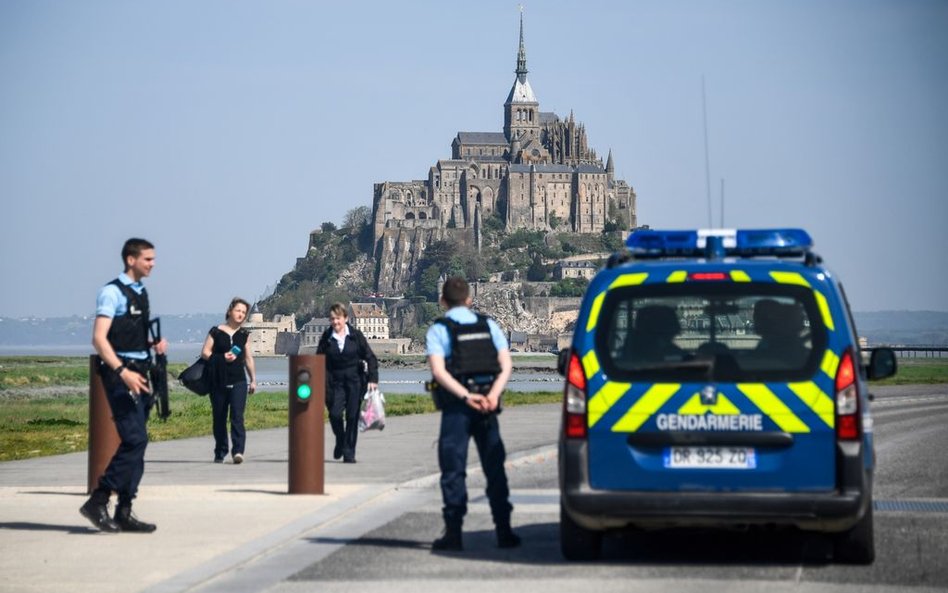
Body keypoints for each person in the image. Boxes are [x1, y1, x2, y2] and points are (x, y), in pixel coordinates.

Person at [426, 276, 520, 551]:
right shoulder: (488, 325)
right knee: (494, 467)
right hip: (488, 406)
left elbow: (439, 372)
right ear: (469, 299)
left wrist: (467, 397)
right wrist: (492, 396)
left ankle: (454, 533)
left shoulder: (439, 329)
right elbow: (506, 365)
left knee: (453, 469)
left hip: (457, 407)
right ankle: (504, 531)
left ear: (443, 300)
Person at [81, 238, 168, 533]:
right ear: (131, 260)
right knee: (135, 439)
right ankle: (99, 498)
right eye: (147, 259)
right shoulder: (111, 293)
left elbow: (129, 335)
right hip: (122, 374)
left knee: (139, 442)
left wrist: (152, 344)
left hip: (142, 371)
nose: (152, 264)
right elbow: (100, 338)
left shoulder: (141, 292)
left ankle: (125, 510)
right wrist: (122, 372)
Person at [316, 303, 379, 464]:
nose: (335, 322)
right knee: (335, 414)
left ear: (345, 318)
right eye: (332, 319)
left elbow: (370, 357)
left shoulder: (356, 336)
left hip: (354, 381)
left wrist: (373, 379)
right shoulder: (327, 337)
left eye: (338, 319)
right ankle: (340, 439)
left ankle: (349, 452)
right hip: (334, 382)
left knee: (352, 416)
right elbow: (318, 361)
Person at [201, 297, 257, 464]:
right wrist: (222, 357)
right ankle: (220, 451)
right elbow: (205, 352)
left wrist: (253, 379)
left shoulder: (243, 335)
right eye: (238, 310)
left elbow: (248, 358)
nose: (240, 314)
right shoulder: (216, 332)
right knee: (219, 417)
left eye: (243, 312)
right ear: (230, 311)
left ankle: (238, 450)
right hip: (218, 381)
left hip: (239, 380)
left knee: (237, 416)